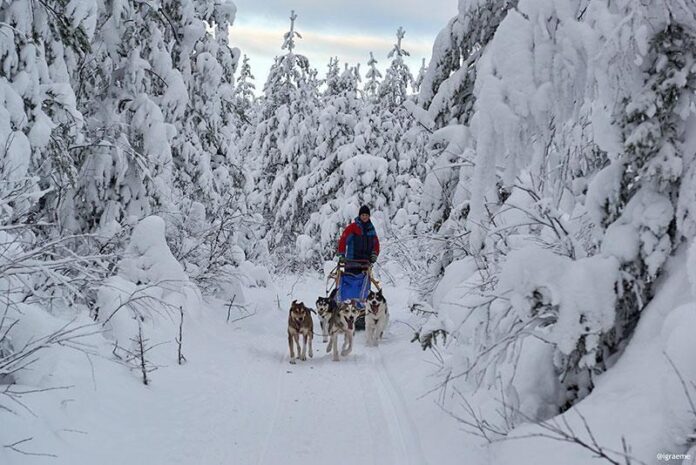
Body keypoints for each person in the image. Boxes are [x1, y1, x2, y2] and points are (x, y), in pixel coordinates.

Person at [336, 205, 380, 272]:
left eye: (366, 215)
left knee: (364, 282)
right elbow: (343, 240)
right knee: (349, 281)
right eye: (363, 215)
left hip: (365, 264)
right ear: (360, 216)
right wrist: (341, 254)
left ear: (369, 216)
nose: (364, 217)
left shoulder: (371, 229)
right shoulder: (353, 227)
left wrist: (374, 254)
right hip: (352, 263)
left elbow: (376, 244)